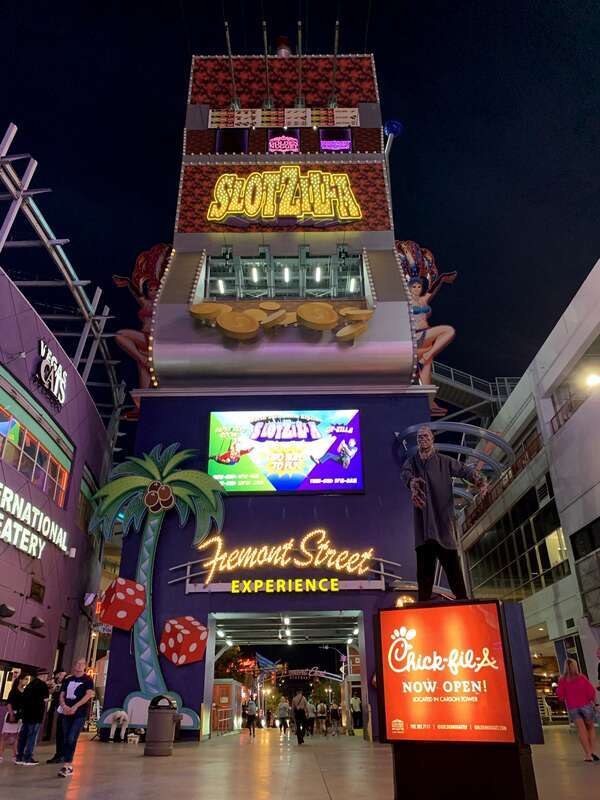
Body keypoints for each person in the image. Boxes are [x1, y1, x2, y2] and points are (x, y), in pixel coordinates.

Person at [400, 425, 488, 601]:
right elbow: (405, 474)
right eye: (419, 437)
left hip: (443, 528)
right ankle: (424, 613)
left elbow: (465, 470)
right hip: (424, 532)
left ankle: (465, 606)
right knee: (424, 580)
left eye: (425, 436)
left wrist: (481, 481)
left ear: (432, 438)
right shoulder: (412, 463)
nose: (422, 439)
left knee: (455, 575)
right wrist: (411, 483)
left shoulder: (445, 462)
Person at [57, 658, 95, 778]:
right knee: (65, 737)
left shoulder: (88, 680)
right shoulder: (68, 680)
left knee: (71, 737)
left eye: (81, 664)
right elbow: (62, 694)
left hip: (79, 714)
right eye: (77, 664)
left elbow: (88, 695)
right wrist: (64, 706)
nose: (79, 666)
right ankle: (66, 763)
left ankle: (68, 765)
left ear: (85, 666)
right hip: (66, 712)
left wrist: (75, 707)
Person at [557, 658, 598, 762]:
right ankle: (593, 751)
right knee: (591, 728)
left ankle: (588, 755)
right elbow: (591, 691)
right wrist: (594, 702)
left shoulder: (562, 680)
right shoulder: (582, 678)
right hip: (586, 706)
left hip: (573, 708)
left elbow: (560, 696)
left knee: (581, 730)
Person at [16, 669, 50, 766]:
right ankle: (28, 758)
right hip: (36, 716)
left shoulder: (29, 685)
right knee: (32, 737)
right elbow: (45, 699)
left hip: (26, 715)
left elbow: (24, 700)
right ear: (43, 676)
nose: (47, 677)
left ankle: (19, 757)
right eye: (46, 675)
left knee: (23, 736)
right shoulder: (43, 685)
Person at [0, 674, 29, 762]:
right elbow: (9, 703)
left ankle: (14, 755)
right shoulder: (13, 691)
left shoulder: (25, 691)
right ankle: (0, 755)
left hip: (20, 715)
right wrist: (11, 714)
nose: (26, 681)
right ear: (20, 680)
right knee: (5, 735)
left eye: (28, 680)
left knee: (16, 736)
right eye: (25, 679)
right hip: (12, 713)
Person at [43, 670, 66, 742]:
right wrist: (54, 687)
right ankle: (48, 735)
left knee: (60, 720)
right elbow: (50, 691)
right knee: (51, 717)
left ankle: (58, 736)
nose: (61, 676)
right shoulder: (54, 682)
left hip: (62, 704)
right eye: (61, 674)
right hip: (54, 702)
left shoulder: (65, 683)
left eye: (63, 675)